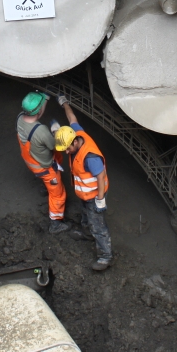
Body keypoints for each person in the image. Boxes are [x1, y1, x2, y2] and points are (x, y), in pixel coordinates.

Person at [53, 95, 112, 271]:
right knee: (86, 217)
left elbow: (100, 176)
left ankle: (105, 257)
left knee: (98, 226)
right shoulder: (76, 133)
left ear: (75, 142)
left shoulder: (90, 157)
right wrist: (64, 103)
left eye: (67, 149)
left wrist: (100, 200)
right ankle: (86, 234)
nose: (66, 152)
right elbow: (72, 118)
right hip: (84, 194)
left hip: (94, 195)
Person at [16, 91, 69, 234]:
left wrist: (45, 98)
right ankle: (56, 224)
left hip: (31, 161)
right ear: (39, 111)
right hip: (45, 168)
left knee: (47, 181)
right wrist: (55, 132)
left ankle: (45, 188)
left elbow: (37, 114)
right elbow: (55, 146)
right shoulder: (41, 131)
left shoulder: (20, 118)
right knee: (58, 194)